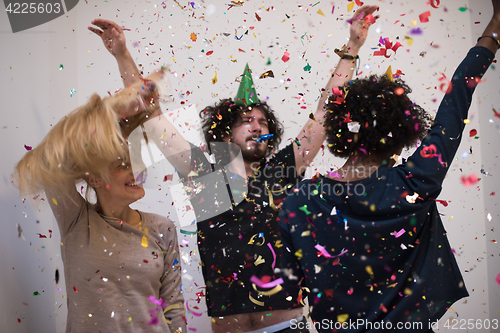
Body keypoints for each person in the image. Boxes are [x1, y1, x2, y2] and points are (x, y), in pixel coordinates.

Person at [89, 5, 378, 332]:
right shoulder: (203, 174)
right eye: (246, 122)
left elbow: (326, 111)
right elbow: (152, 119)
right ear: (225, 133)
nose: (256, 127)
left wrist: (353, 46)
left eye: (262, 123)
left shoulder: (280, 172)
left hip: (285, 325)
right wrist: (122, 54)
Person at [278, 1, 500, 332]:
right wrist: (495, 27)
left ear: (343, 130)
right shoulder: (415, 182)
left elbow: (286, 296)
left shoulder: (299, 201)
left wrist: (353, 44)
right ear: (400, 138)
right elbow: (456, 100)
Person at [13, 75, 186, 333]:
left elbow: (174, 308)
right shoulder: (76, 220)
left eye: (135, 163)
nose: (135, 172)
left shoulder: (163, 228)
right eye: (122, 165)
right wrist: (111, 111)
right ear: (93, 177)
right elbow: (47, 159)